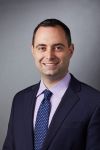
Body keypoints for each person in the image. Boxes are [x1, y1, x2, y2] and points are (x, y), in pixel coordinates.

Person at [2, 18, 100, 150]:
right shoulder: (20, 100)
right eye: (42, 48)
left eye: (58, 47)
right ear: (33, 51)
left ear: (70, 50)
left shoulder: (94, 102)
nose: (49, 55)